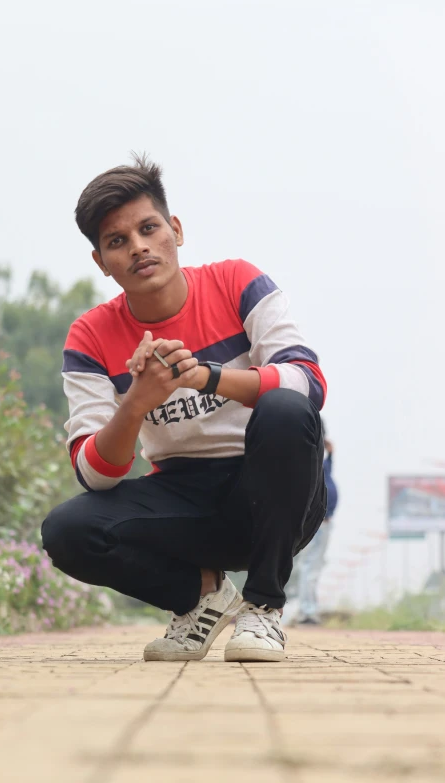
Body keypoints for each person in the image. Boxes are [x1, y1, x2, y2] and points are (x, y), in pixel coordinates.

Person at [41, 154, 327, 663]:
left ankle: (262, 608)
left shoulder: (236, 282)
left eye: (149, 229)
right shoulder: (90, 335)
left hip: (276, 493)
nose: (139, 248)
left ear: (175, 229)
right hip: (182, 497)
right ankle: (201, 598)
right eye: (117, 241)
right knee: (67, 531)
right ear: (101, 262)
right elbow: (92, 472)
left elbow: (308, 383)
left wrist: (206, 376)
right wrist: (137, 403)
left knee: (285, 408)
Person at [296, 428, 338, 625]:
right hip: (316, 522)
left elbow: (327, 473)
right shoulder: (309, 454)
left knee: (314, 567)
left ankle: (309, 609)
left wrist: (331, 454)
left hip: (323, 521)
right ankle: (307, 612)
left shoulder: (320, 457)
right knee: (309, 567)